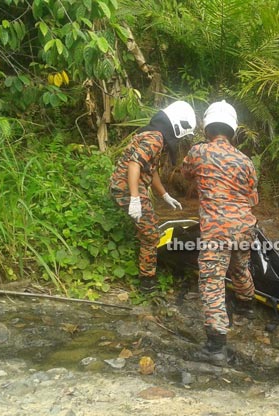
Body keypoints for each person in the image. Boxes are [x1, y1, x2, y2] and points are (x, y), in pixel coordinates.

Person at [182, 100, 259, 364]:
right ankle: (247, 306)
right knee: (240, 267)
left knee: (212, 281)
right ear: (232, 129)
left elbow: (186, 174)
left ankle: (216, 347)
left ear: (207, 127)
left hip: (216, 229)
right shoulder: (246, 160)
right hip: (244, 226)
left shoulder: (198, 152)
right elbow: (254, 198)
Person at [110, 100, 196, 292]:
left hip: (128, 187)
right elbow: (134, 165)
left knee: (147, 226)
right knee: (151, 234)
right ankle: (146, 282)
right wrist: (134, 198)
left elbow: (151, 170)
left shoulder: (153, 134)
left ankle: (142, 260)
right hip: (127, 188)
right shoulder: (155, 138)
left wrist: (165, 195)